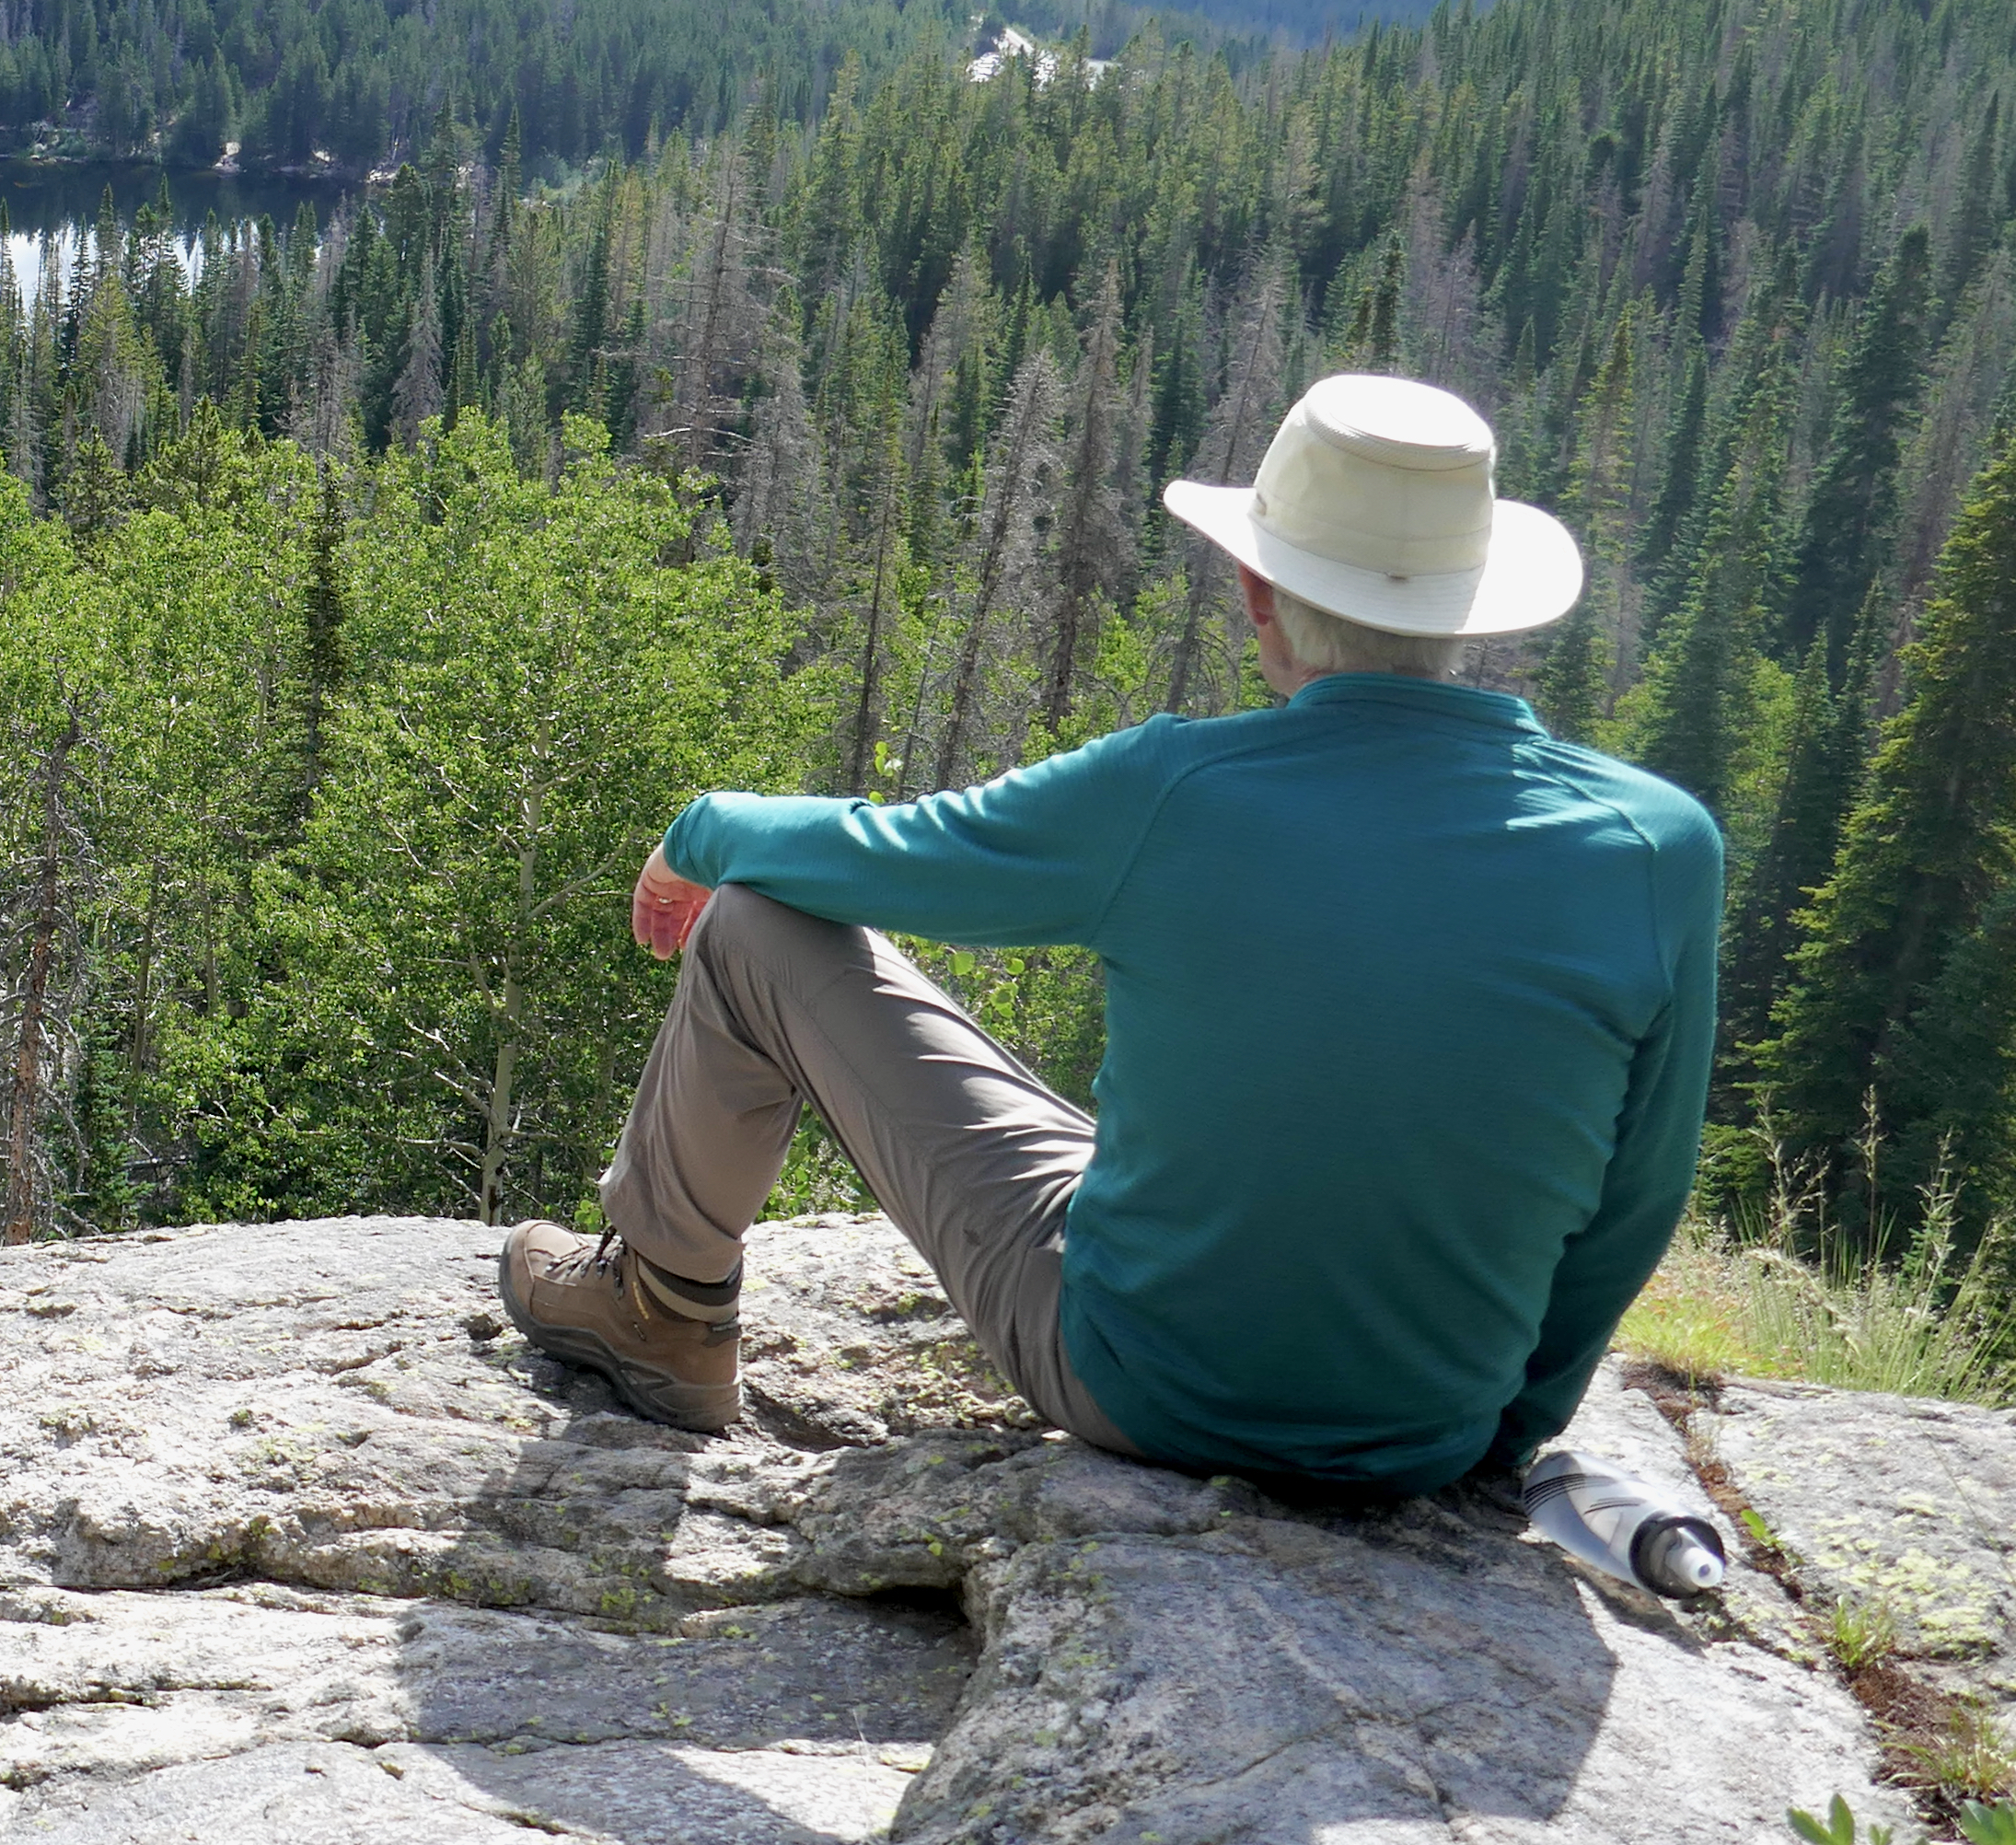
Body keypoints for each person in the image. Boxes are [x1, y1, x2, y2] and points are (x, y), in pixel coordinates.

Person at [502, 372, 1720, 1499]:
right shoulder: (1660, 847)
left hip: (1146, 1389)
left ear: (1256, 589)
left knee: (755, 927)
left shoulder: (1175, 792)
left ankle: (658, 1308)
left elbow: (888, 859)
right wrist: (1501, 1428)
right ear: (1471, 611)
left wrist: (708, 829)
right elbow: (1635, 1198)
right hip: (1434, 1434)